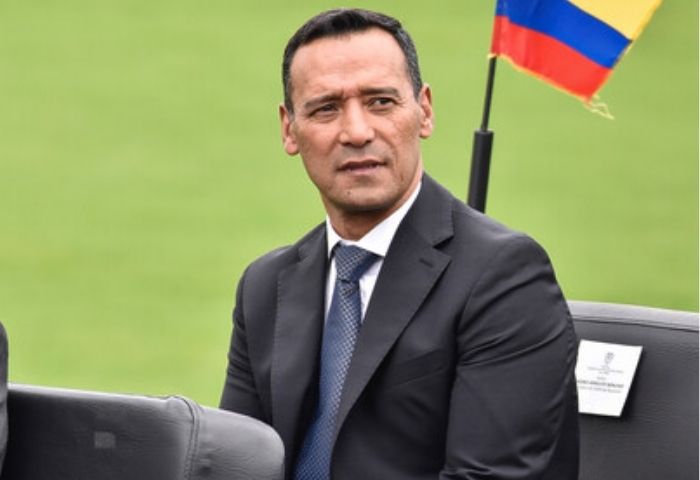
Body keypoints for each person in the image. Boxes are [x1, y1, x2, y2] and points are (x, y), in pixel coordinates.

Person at [220, 8, 579, 480]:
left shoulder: (503, 277)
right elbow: (234, 465)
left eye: (381, 102)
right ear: (289, 129)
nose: (356, 132)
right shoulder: (265, 287)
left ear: (424, 111)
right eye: (326, 108)